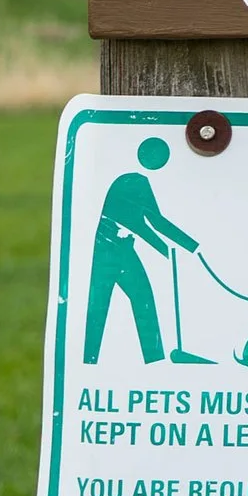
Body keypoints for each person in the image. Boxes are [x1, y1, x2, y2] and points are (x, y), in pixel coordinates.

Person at [85, 137, 198, 366]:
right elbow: (146, 224)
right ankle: (88, 362)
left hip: (122, 247)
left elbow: (153, 223)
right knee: (100, 304)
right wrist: (170, 251)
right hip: (106, 248)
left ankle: (154, 362)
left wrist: (189, 248)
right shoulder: (131, 181)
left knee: (142, 298)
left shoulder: (137, 180)